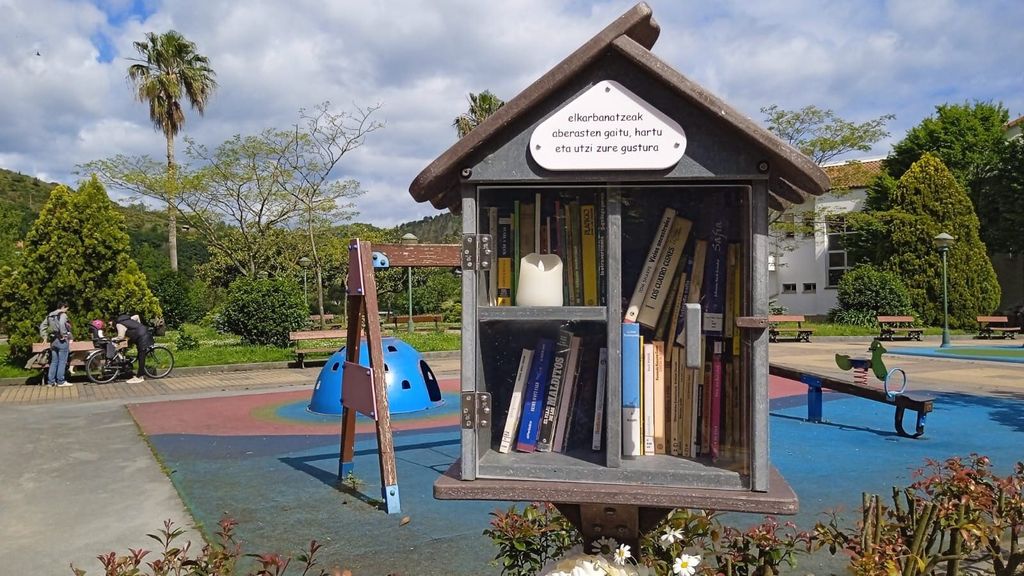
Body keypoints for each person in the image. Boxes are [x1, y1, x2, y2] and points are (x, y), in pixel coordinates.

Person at [40, 301, 73, 387]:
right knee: (62, 362)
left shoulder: (50, 315)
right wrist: (64, 335)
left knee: (54, 362)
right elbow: (62, 324)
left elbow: (42, 326)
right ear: (63, 307)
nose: (66, 311)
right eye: (66, 308)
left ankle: (50, 382)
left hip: (53, 341)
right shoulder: (63, 315)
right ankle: (60, 381)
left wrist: (44, 336)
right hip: (61, 340)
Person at [115, 313, 152, 384]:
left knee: (142, 355)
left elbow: (121, 336)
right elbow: (137, 316)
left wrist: (113, 339)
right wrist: (139, 327)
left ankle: (140, 376)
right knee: (130, 346)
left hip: (142, 337)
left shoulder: (119, 324)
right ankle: (130, 361)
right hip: (142, 333)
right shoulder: (128, 319)